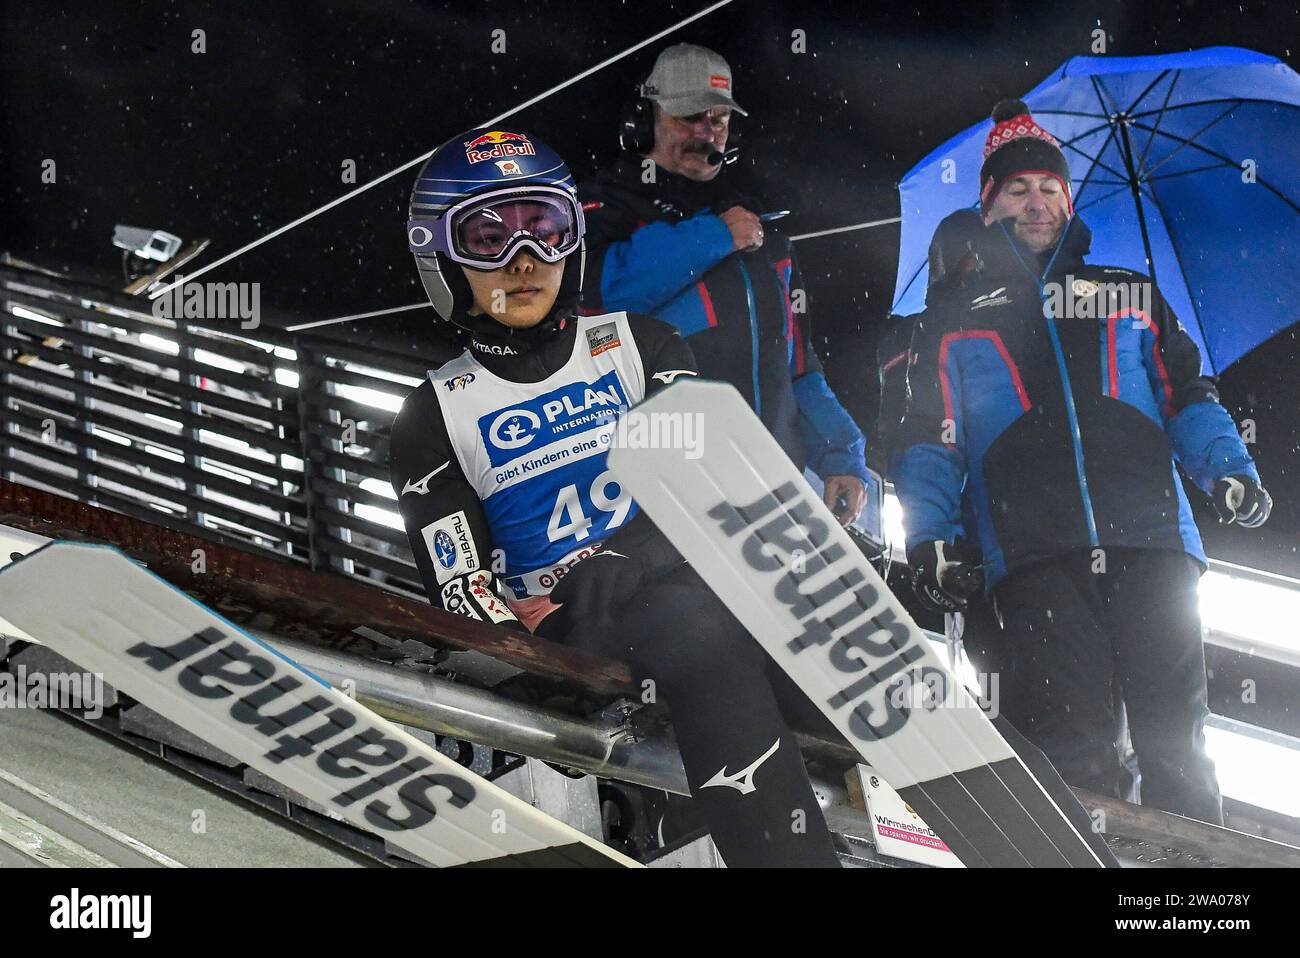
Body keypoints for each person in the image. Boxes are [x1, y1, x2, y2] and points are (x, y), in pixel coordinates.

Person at [390, 127, 840, 867]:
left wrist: (618, 556)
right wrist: (537, 652)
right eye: (487, 237)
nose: (523, 258)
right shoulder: (435, 413)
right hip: (579, 628)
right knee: (693, 618)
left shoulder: (643, 344)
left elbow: (695, 492)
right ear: (441, 255)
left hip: (687, 589)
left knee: (772, 591)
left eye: (544, 228)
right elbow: (463, 588)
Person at [893, 99, 1272, 824]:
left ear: (1069, 198)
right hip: (1034, 554)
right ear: (989, 202)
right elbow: (928, 437)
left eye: (1049, 188)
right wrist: (928, 537)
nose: (1036, 202)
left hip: (1154, 542)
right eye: (1017, 189)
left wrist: (1229, 470)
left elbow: (1187, 396)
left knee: (1178, 745)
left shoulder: (1128, 289)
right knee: (1075, 748)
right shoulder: (952, 313)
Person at [580, 43, 871, 527]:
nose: (705, 132)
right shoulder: (599, 205)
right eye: (689, 116)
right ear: (644, 118)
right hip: (655, 497)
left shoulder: (764, 229)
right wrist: (713, 236)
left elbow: (799, 365)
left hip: (770, 493)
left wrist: (842, 453)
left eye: (718, 119)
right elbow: (599, 297)